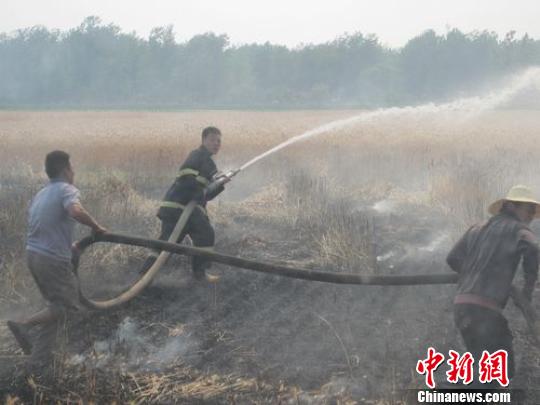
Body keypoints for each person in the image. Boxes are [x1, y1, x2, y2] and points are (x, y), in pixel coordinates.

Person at [7, 150, 106, 377]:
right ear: (65, 170)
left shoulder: (42, 193)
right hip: (51, 259)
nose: (74, 172)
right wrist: (96, 227)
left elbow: (44, 223)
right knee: (66, 308)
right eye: (72, 168)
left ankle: (38, 361)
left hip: (34, 255)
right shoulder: (66, 189)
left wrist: (69, 247)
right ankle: (25, 323)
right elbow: (75, 210)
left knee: (55, 307)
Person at [447, 185, 540, 384]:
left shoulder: (477, 228)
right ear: (514, 207)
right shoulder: (521, 231)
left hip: (461, 307)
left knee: (486, 367)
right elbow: (534, 252)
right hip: (485, 311)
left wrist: (473, 274)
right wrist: (526, 294)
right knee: (500, 371)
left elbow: (453, 258)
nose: (533, 215)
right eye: (530, 209)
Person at [140, 126, 229, 282]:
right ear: (203, 140)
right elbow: (186, 179)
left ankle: (199, 275)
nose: (216, 144)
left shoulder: (209, 163)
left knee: (204, 236)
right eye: (213, 140)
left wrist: (221, 183)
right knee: (168, 243)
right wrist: (202, 191)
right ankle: (145, 276)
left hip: (190, 212)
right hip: (178, 208)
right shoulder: (197, 156)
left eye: (219, 141)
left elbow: (207, 195)